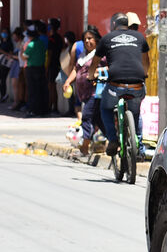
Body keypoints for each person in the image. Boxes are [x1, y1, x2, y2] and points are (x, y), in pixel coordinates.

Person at [94, 11, 149, 158]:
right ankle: (139, 148)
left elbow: (95, 61)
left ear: (114, 24)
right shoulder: (140, 37)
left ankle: (113, 139)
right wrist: (145, 74)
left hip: (115, 84)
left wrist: (90, 75)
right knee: (136, 114)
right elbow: (146, 61)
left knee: (105, 108)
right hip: (137, 84)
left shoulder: (107, 38)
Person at [64, 26, 102, 155]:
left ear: (96, 40)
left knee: (86, 117)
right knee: (97, 120)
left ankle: (85, 147)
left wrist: (98, 71)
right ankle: (108, 143)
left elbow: (110, 67)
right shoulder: (83, 55)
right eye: (85, 39)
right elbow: (76, 69)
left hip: (96, 92)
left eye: (90, 38)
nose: (87, 41)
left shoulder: (100, 54)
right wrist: (68, 81)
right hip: (84, 94)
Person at [23, 23, 48, 116]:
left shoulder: (31, 45)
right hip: (41, 68)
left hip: (31, 69)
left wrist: (22, 51)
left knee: (32, 90)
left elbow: (24, 57)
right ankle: (42, 110)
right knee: (41, 89)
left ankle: (33, 110)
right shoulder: (41, 43)